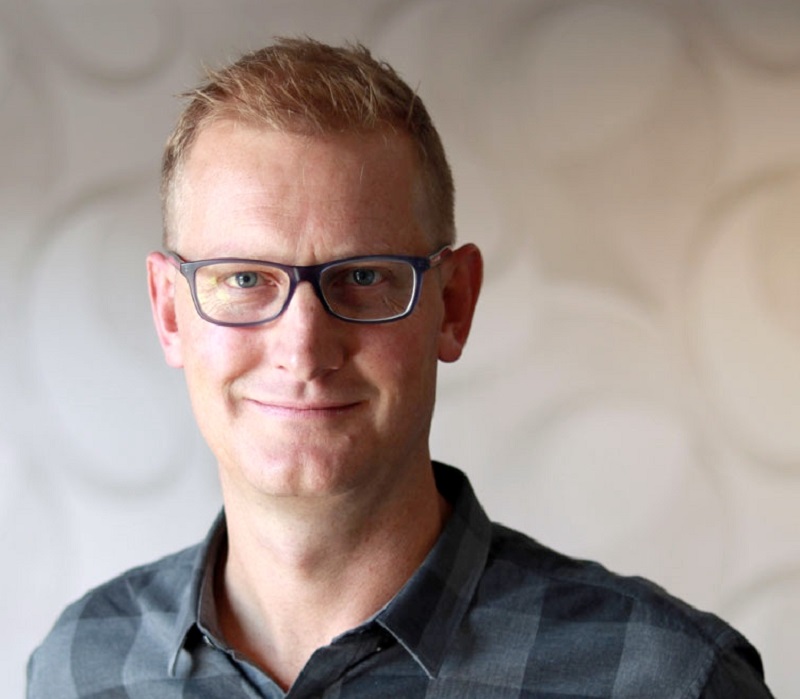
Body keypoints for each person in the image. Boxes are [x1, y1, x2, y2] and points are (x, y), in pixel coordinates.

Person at [27, 37, 774, 699]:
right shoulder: (78, 668)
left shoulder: (672, 680)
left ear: (453, 304)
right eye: (245, 278)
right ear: (169, 311)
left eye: (363, 277)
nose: (303, 348)